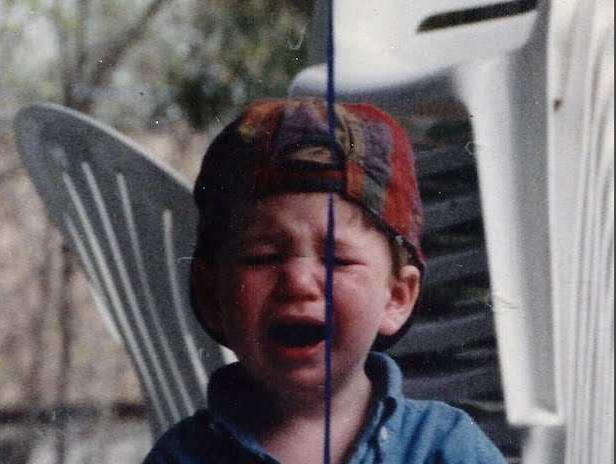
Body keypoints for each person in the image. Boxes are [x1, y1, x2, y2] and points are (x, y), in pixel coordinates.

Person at [143, 97, 505, 464]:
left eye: (338, 260)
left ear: (396, 298)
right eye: (263, 257)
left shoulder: (444, 446)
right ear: (212, 296)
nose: (298, 281)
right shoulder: (183, 456)